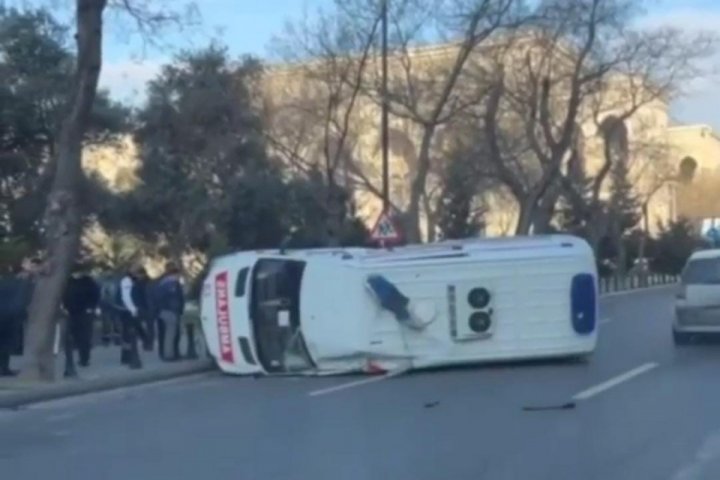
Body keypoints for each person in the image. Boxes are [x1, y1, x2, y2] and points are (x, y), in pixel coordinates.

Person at [62, 266, 100, 377]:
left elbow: (95, 295)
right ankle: (75, 356)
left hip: (85, 312)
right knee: (73, 335)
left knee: (85, 336)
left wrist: (91, 307)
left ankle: (84, 358)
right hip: (71, 312)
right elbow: (64, 295)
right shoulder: (69, 281)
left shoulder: (88, 281)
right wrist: (64, 307)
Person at [117, 265, 147, 369]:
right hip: (128, 311)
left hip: (128, 310)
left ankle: (127, 355)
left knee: (129, 334)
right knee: (129, 334)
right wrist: (133, 309)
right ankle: (127, 356)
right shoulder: (126, 281)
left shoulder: (130, 280)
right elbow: (126, 297)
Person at [155, 262, 185, 362]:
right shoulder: (172, 284)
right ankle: (169, 355)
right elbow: (175, 299)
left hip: (163, 310)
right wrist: (178, 309)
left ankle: (170, 353)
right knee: (171, 334)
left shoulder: (162, 283)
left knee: (170, 334)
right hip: (170, 311)